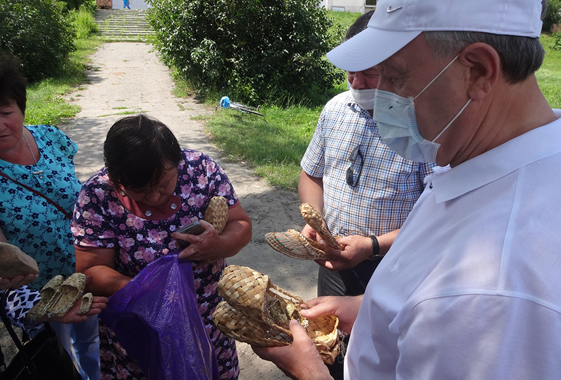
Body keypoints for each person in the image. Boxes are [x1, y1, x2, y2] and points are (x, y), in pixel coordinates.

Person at [253, 0, 561, 379]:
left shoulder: (491, 290)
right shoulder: (472, 161)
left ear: (479, 71)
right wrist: (372, 308)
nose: (378, 98)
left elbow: (453, 310)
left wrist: (309, 371)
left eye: (396, 78)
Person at [298, 11, 434, 378]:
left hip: (394, 268)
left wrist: (372, 245)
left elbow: (436, 222)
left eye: (370, 74)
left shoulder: (425, 127)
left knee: (379, 355)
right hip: (333, 262)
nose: (357, 82)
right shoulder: (335, 109)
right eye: (350, 71)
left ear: (395, 71)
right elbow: (311, 174)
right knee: (327, 343)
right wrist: (315, 218)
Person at [72, 114, 252, 380]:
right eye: (142, 191)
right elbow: (90, 271)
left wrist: (218, 245)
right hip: (143, 332)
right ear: (115, 179)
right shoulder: (97, 196)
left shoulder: (200, 170)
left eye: (165, 184)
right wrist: (150, 290)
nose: (156, 196)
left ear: (178, 164)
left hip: (208, 322)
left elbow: (241, 224)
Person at [0, 53, 102, 380]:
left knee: (95, 342)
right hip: (47, 293)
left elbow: (79, 192)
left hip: (88, 268)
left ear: (21, 107)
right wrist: (40, 308)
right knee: (61, 356)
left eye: (5, 113)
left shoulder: (49, 137)